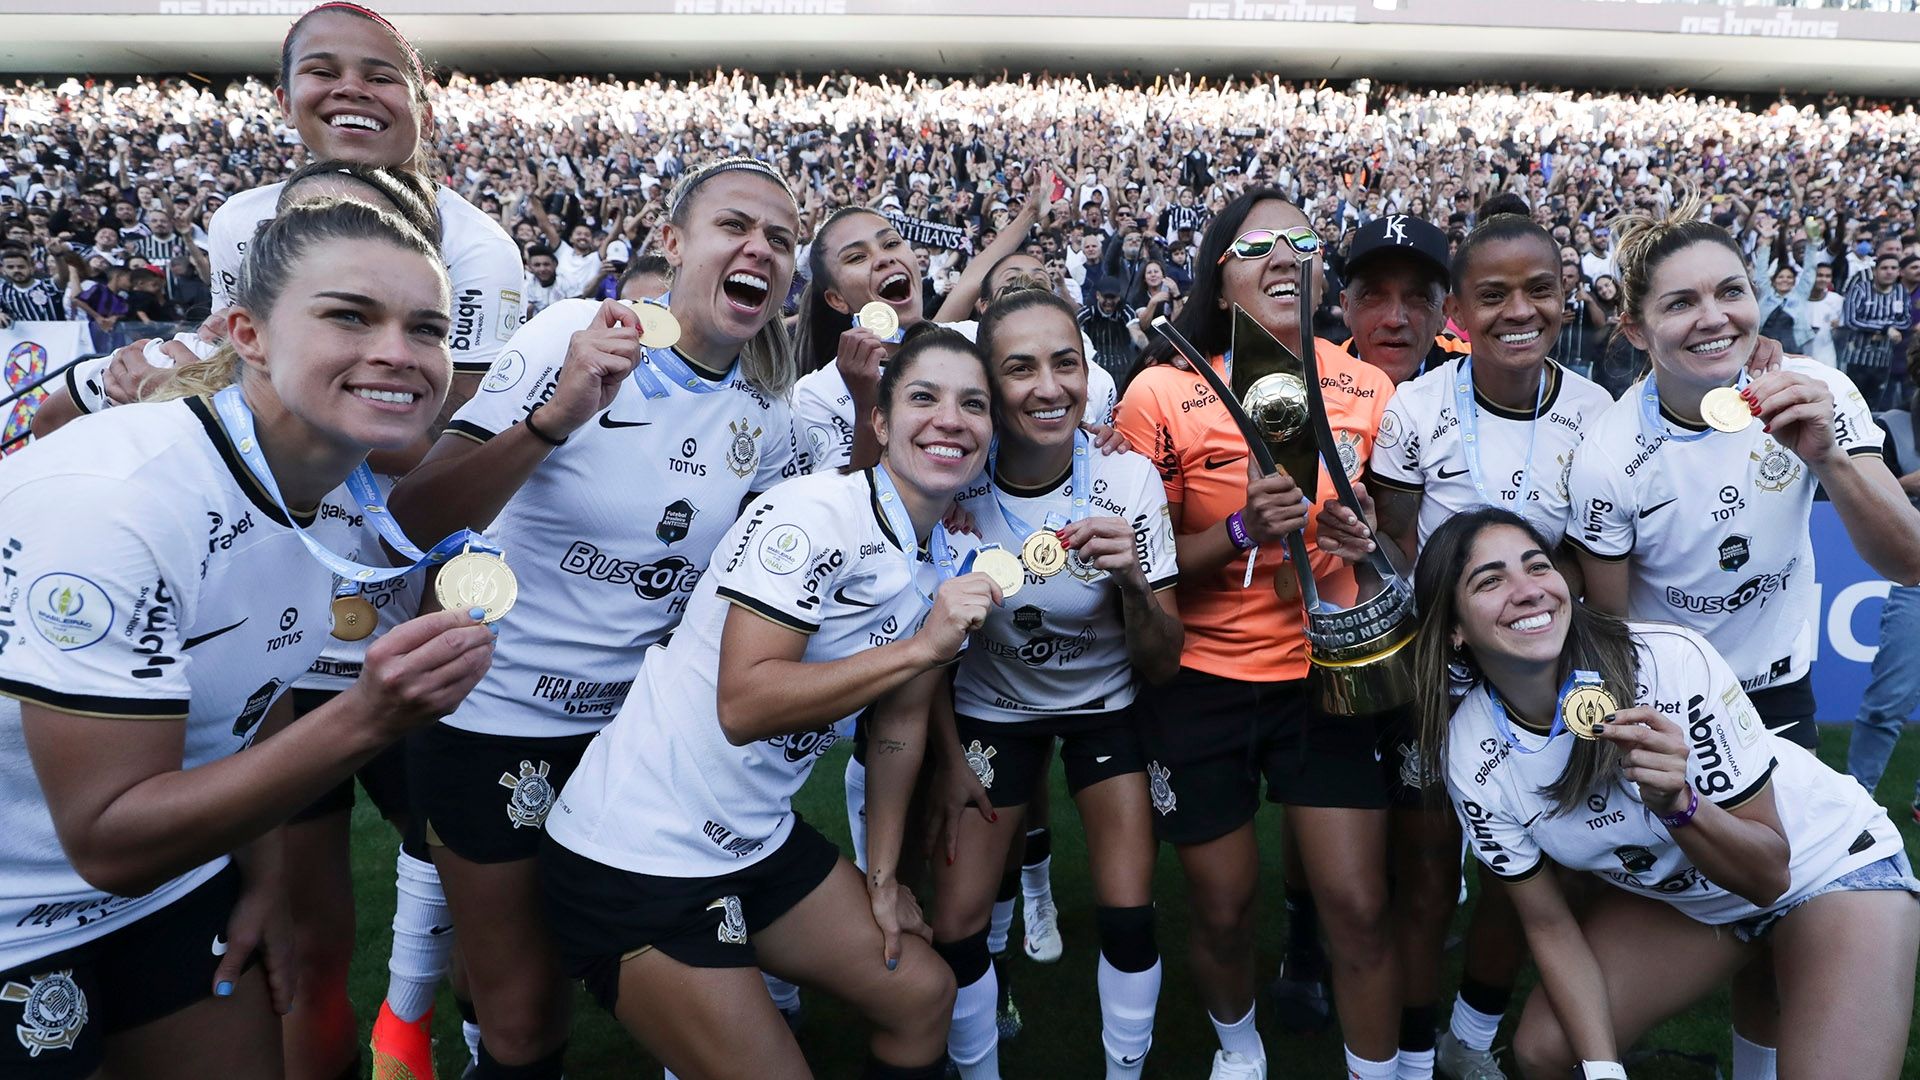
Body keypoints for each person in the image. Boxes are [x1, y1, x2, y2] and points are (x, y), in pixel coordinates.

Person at [0, 197, 494, 1078]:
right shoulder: (122, 502)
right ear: (249, 334)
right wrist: (369, 719)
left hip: (177, 882)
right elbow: (107, 840)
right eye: (350, 315)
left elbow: (255, 697)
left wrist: (261, 878)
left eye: (426, 328)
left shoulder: (324, 487)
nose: (398, 352)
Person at [384, 156, 803, 1079]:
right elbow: (415, 516)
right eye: (737, 224)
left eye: (781, 238)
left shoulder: (765, 416)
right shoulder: (570, 334)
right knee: (526, 1025)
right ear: (672, 241)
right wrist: (556, 416)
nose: (759, 249)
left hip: (635, 743)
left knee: (578, 975)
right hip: (498, 725)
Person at [540, 325, 986, 1080]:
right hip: (637, 857)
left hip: (755, 839)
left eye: (973, 404)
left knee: (922, 993)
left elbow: (900, 725)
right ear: (878, 421)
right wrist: (921, 648)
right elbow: (744, 704)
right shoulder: (813, 512)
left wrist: (881, 881)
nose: (950, 418)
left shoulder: (944, 558)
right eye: (923, 397)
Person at [1413, 507, 1920, 1080]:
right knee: (1547, 1050)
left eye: (1537, 566)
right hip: (1696, 903)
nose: (1529, 591)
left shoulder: (1667, 661)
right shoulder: (1469, 751)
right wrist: (1603, 1071)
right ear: (1453, 628)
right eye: (1490, 580)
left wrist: (1680, 804)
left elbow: (1768, 875)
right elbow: (1548, 924)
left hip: (1823, 867)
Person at [1320, 198, 1617, 1080]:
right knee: (1427, 866)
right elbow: (1400, 540)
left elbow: (1590, 555)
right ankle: (1413, 1055)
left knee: (1531, 866)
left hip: (1543, 678)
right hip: (1442, 677)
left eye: (1539, 290)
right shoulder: (1416, 409)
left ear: (1567, 296)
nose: (1518, 310)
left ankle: (1472, 1035)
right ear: (1460, 310)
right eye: (1493, 294)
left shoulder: (1597, 410)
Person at [1114, 188, 1398, 1080]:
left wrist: (1364, 535)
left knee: (1356, 904)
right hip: (1201, 679)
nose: (1284, 256)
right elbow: (1143, 563)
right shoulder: (1161, 389)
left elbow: (1390, 536)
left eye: (1301, 241)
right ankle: (1240, 1052)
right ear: (1220, 274)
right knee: (1225, 908)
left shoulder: (1367, 384)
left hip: (1328, 674)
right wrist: (1241, 529)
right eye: (1255, 246)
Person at [927, 290, 1183, 1080]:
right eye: (1021, 368)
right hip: (989, 709)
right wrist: (947, 756)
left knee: (1130, 913)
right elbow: (920, 651)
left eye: (1065, 362)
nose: (1049, 386)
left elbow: (1164, 660)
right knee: (960, 926)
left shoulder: (1127, 478)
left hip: (1106, 706)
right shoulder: (951, 480)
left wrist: (1136, 583)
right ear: (988, 385)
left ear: (1087, 370)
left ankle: (1124, 1072)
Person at [1847, 338, 1920, 819]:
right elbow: (1874, 488)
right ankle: (1854, 802)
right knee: (1887, 700)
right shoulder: (1893, 424)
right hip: (1915, 578)